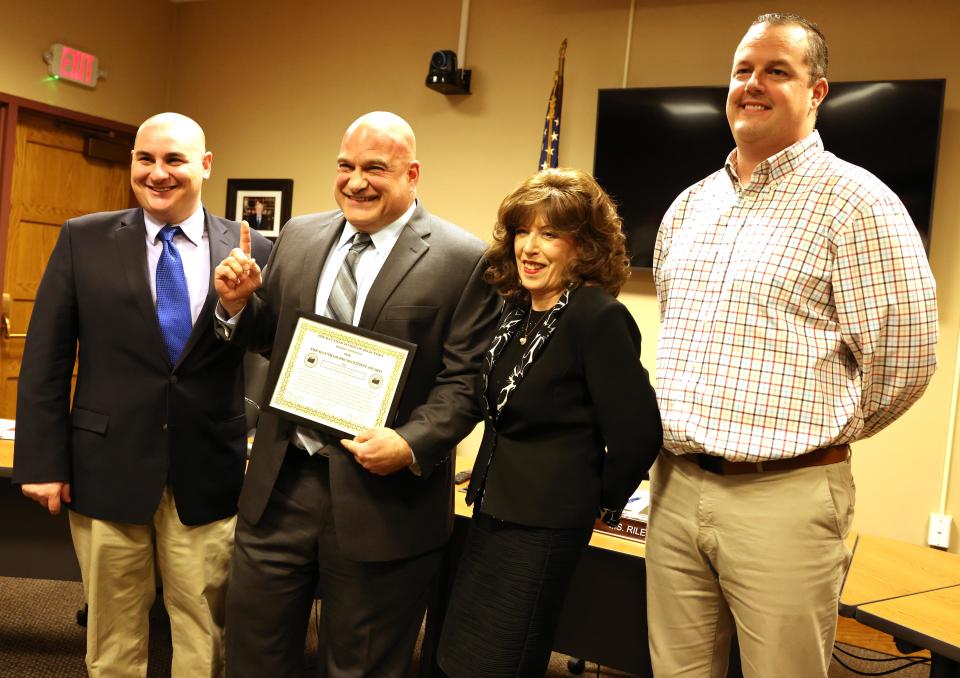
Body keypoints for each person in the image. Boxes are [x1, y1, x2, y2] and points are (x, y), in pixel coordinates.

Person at [648, 13, 938, 677]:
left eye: (777, 70)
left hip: (785, 498)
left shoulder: (857, 203)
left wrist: (820, 434)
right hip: (675, 485)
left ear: (817, 92)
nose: (753, 83)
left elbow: (908, 362)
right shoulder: (691, 205)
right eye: (743, 70)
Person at [214, 111, 499, 677]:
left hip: (384, 502)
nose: (356, 181)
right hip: (280, 488)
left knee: (361, 667)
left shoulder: (463, 259)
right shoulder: (298, 235)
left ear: (412, 174)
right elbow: (276, 342)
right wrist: (240, 306)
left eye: (376, 168)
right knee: (252, 657)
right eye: (345, 166)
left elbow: (465, 381)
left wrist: (412, 444)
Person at [13, 112, 272, 677]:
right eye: (144, 159)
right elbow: (47, 359)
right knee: (112, 635)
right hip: (106, 467)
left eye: (174, 159)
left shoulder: (254, 248)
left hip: (207, 474)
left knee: (204, 633)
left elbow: (268, 349)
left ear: (204, 165)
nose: (158, 173)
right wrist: (40, 461)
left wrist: (234, 308)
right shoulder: (84, 239)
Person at [437, 168, 662, 677]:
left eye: (550, 234)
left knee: (501, 661)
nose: (529, 248)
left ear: (583, 248)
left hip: (543, 525)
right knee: (460, 654)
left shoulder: (596, 316)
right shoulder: (517, 311)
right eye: (523, 231)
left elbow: (637, 431)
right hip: (492, 509)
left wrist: (598, 500)